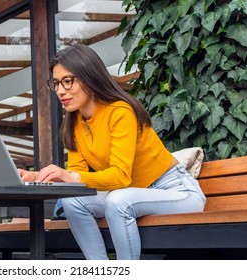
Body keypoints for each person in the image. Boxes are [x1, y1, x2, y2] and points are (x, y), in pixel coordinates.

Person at [18, 44, 206, 260]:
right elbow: (76, 180)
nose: (60, 90)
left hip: (176, 192)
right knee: (72, 201)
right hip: (130, 194)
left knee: (118, 200)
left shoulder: (120, 111)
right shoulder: (74, 124)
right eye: (56, 83)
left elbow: (120, 176)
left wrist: (69, 176)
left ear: (89, 77)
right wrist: (36, 178)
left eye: (68, 81)